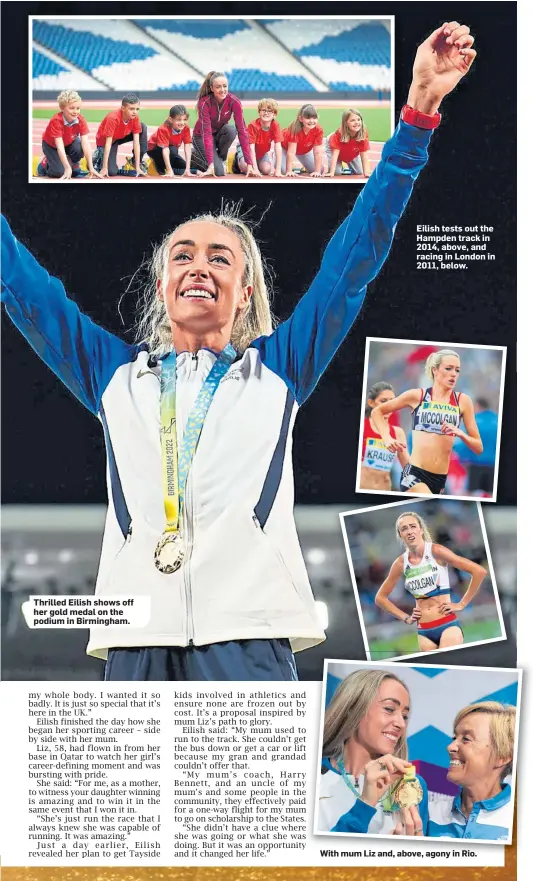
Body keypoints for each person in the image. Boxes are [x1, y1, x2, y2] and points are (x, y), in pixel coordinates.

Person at [2, 21, 477, 681]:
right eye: (182, 256)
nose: (199, 266)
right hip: (136, 641)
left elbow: (354, 258)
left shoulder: (278, 370)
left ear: (243, 286)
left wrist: (418, 114)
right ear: (163, 284)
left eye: (219, 256)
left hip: (249, 639)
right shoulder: (113, 377)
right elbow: (24, 287)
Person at [318, 669, 428, 835]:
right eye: (390, 709)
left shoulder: (413, 785)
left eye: (404, 716)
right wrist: (365, 804)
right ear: (353, 708)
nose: (401, 723)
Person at [372, 349, 483, 495]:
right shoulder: (417, 395)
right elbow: (377, 412)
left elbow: (478, 448)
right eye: (448, 368)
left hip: (440, 478)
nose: (453, 374)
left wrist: (461, 433)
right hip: (415, 473)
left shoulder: (463, 401)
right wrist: (387, 438)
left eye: (457, 370)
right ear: (435, 370)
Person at [375, 511, 487, 652]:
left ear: (421, 529)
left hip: (447, 625)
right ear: (400, 534)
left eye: (413, 526)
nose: (409, 531)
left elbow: (479, 571)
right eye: (404, 528)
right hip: (424, 631)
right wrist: (406, 618)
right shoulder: (400, 563)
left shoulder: (436, 551)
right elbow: (380, 598)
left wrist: (462, 604)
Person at [429, 702, 515, 841]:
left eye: (466, 739)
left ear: (502, 756)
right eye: (454, 738)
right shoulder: (428, 814)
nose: (450, 747)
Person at [191, 71, 257, 178]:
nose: (222, 90)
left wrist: (249, 164)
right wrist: (211, 165)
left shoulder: (234, 101)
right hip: (201, 137)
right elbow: (207, 134)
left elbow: (242, 131)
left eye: (225, 86)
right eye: (218, 87)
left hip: (218, 135)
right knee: (218, 172)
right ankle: (194, 158)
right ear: (212, 88)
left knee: (231, 130)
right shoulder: (204, 103)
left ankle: (221, 159)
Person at [37, 90, 101, 181]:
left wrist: (91, 167)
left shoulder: (80, 119)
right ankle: (45, 164)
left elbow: (85, 143)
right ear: (62, 108)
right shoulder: (56, 121)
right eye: (71, 108)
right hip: (52, 146)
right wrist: (67, 168)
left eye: (78, 108)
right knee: (59, 172)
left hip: (69, 143)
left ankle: (74, 163)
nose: (75, 111)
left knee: (79, 146)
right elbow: (59, 146)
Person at [359, 381, 409, 491]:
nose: (388, 406)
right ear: (371, 403)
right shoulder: (362, 427)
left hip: (385, 490)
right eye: (383, 401)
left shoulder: (398, 433)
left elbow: (408, 469)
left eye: (392, 401)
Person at [93, 93, 148, 178]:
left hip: (121, 135)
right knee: (111, 171)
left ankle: (134, 162)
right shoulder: (113, 118)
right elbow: (108, 143)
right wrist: (104, 168)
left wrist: (137, 167)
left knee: (143, 127)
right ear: (123, 108)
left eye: (137, 109)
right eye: (131, 109)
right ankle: (98, 156)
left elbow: (136, 143)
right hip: (107, 142)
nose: (135, 112)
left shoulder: (135, 117)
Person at [454, 398, 498, 496]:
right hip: (493, 463)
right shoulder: (497, 419)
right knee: (491, 493)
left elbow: (464, 441)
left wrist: (461, 458)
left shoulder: (473, 421)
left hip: (475, 462)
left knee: (468, 493)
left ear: (477, 406)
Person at [234, 98, 283, 177]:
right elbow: (251, 149)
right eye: (263, 110)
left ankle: (256, 163)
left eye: (270, 111)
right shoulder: (253, 126)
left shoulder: (275, 125)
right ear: (259, 112)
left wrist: (278, 170)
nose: (266, 113)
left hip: (261, 152)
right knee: (246, 168)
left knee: (266, 170)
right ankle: (237, 159)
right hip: (247, 150)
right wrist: (255, 169)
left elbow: (278, 147)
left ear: (275, 114)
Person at [147, 105, 194, 178]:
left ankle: (167, 167)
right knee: (173, 150)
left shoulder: (186, 128)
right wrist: (169, 170)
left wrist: (187, 169)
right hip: (154, 149)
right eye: (178, 120)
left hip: (171, 150)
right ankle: (156, 165)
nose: (182, 122)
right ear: (171, 120)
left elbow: (187, 146)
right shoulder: (163, 129)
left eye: (185, 119)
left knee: (184, 167)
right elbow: (165, 149)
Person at [325, 109, 371, 178]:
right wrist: (331, 172)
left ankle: (345, 166)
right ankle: (340, 166)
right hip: (335, 148)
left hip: (350, 149)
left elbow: (364, 154)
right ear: (346, 123)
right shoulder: (339, 134)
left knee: (359, 172)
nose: (356, 122)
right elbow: (335, 153)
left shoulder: (363, 134)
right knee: (336, 172)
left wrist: (366, 172)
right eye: (352, 120)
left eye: (358, 119)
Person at [280, 104, 324, 177]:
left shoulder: (318, 130)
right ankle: (278, 158)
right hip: (285, 148)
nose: (311, 121)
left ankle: (305, 166)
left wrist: (317, 171)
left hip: (304, 150)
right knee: (284, 171)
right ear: (301, 119)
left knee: (320, 170)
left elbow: (318, 152)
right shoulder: (294, 129)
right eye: (308, 118)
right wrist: (289, 171)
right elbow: (291, 152)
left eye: (314, 118)